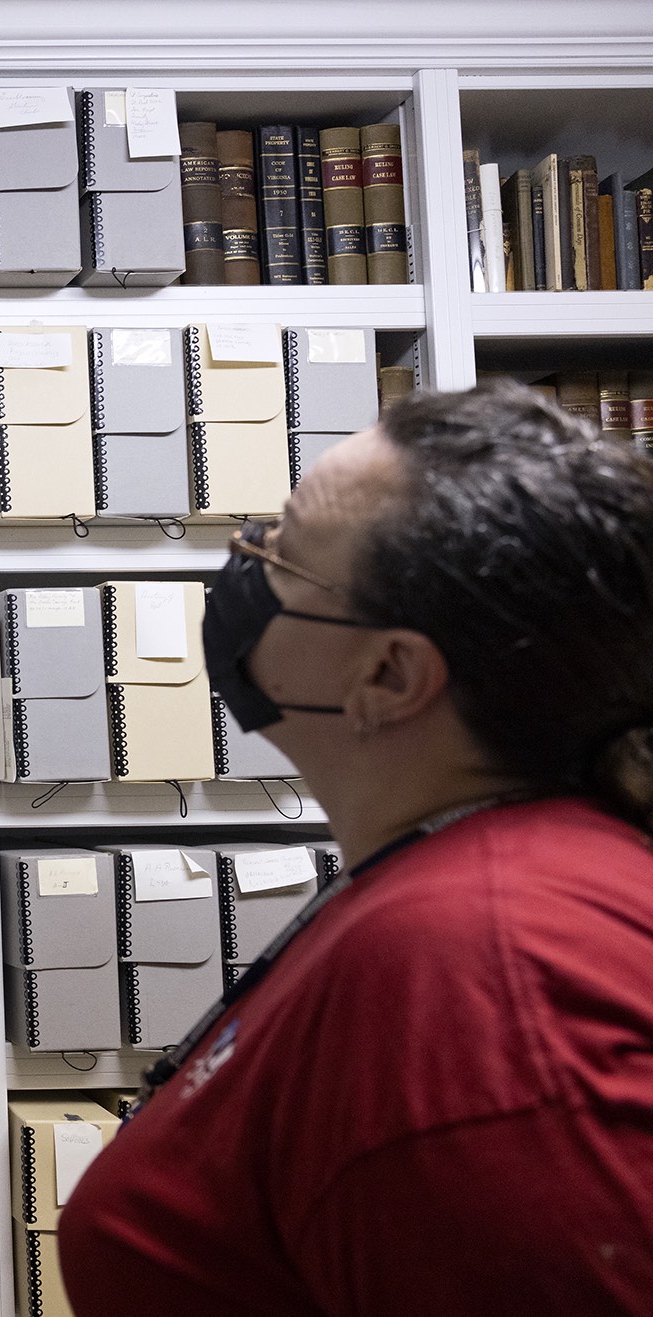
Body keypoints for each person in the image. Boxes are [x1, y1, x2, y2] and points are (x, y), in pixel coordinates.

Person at [61, 379, 653, 1314]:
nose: (240, 564)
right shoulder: (472, 876)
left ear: (389, 673)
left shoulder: (485, 971)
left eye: (280, 552)